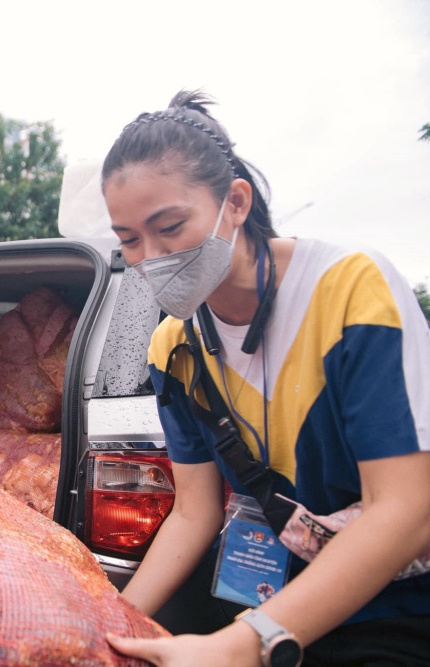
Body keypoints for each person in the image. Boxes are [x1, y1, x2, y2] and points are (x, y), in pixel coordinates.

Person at [99, 91, 430, 666]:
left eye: (170, 227)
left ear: (235, 201)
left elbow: (406, 511)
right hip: (273, 600)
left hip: (397, 608)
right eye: (129, 240)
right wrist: (111, 630)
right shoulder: (171, 347)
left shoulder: (353, 291)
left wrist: (240, 646)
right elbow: (193, 514)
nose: (150, 257)